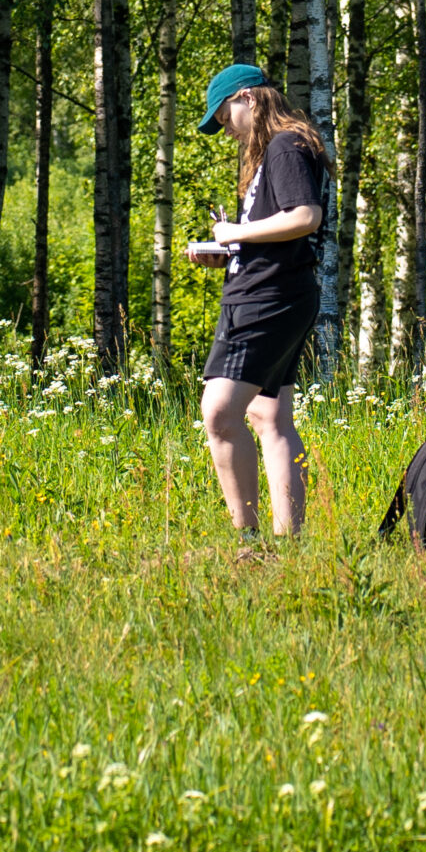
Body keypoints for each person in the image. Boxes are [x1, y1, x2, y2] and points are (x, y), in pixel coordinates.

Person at [187, 62, 327, 538]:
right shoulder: (279, 148)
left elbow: (306, 215)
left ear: (248, 98)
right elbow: (283, 229)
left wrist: (235, 232)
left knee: (219, 413)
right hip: (279, 290)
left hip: (267, 298)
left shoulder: (285, 145)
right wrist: (229, 251)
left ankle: (248, 540)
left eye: (225, 116)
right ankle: (289, 542)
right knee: (269, 415)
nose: (225, 129)